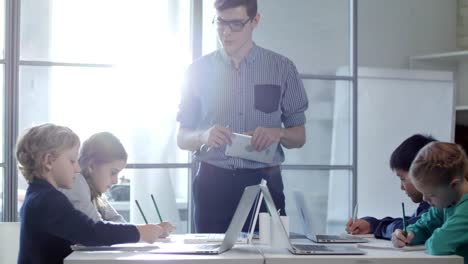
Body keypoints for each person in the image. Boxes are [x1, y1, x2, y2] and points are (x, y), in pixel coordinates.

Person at [176, 0, 308, 232]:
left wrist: (276, 133)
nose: (226, 32)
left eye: (236, 24)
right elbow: (182, 138)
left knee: (270, 253)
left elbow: (299, 137)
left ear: (255, 21)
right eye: (220, 23)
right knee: (213, 257)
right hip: (212, 183)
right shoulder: (196, 72)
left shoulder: (282, 68)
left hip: (264, 181)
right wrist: (204, 135)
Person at [16, 124, 165, 264]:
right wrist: (138, 232)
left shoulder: (40, 196)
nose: (78, 169)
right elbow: (91, 232)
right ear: (48, 161)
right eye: (72, 161)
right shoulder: (47, 200)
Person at [60, 132, 175, 233]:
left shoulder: (95, 193)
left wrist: (152, 230)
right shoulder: (76, 183)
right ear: (91, 166)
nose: (115, 181)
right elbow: (99, 229)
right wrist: (143, 232)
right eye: (113, 172)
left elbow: (118, 221)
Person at [345, 134, 434, 239]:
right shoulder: (426, 206)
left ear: (420, 174)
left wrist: (378, 226)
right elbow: (411, 222)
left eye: (402, 178)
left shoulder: (440, 207)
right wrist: (371, 225)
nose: (401, 187)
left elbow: (407, 228)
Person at [392, 142, 468, 263]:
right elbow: (423, 226)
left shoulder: (465, 211)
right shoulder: (446, 202)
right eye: (423, 193)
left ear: (454, 185)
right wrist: (406, 235)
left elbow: (438, 245)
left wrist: (431, 237)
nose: (424, 199)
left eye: (431, 194)